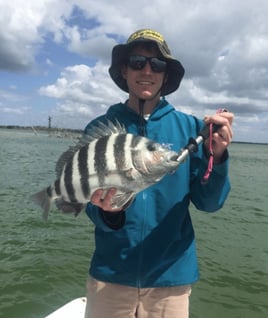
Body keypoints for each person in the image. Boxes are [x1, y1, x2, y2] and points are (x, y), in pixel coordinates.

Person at [83, 29, 233, 318]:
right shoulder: (99, 129)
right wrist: (109, 212)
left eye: (157, 65)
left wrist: (218, 156)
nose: (147, 70)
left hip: (171, 278)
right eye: (138, 62)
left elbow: (209, 203)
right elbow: (90, 201)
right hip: (111, 274)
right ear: (124, 70)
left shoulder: (190, 129)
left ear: (166, 75)